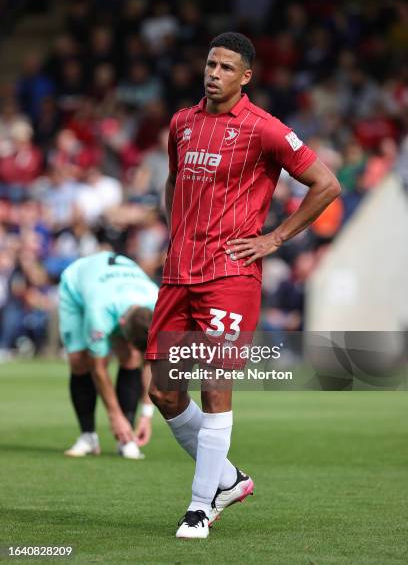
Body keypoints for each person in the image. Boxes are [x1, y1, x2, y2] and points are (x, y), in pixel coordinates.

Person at [145, 32, 341, 538]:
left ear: (246, 76)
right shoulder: (182, 123)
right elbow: (173, 180)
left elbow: (326, 184)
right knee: (164, 392)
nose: (214, 73)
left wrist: (275, 238)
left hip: (230, 276)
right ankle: (228, 479)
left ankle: (199, 507)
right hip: (178, 273)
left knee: (215, 386)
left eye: (227, 67)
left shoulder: (264, 129)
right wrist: (177, 231)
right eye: (211, 64)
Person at [59, 251, 158, 459]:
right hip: (77, 285)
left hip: (113, 283)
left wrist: (147, 415)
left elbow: (153, 361)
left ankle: (126, 438)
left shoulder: (158, 302)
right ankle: (88, 436)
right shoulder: (99, 311)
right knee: (79, 360)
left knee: (131, 356)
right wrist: (114, 415)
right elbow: (98, 368)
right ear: (121, 325)